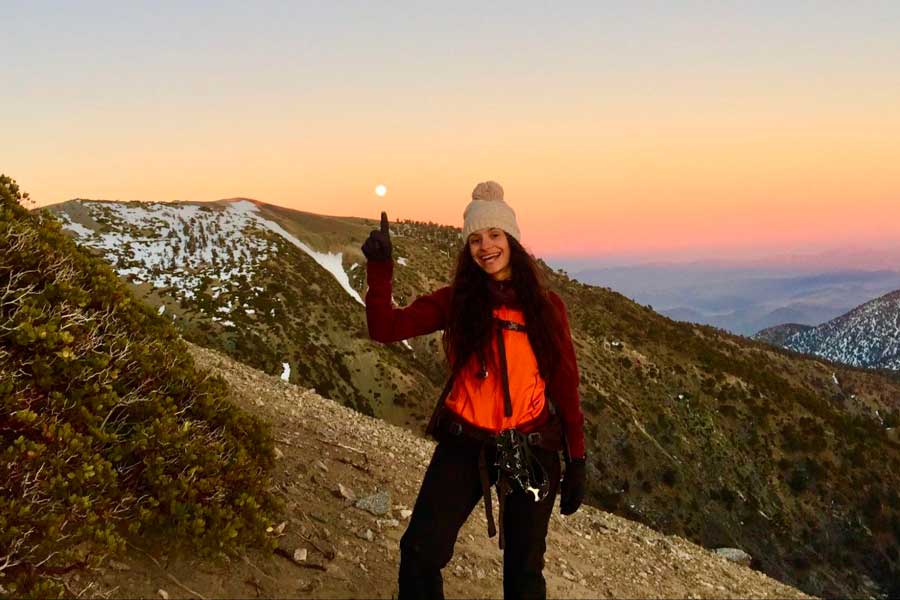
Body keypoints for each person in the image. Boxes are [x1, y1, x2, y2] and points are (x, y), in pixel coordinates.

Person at [362, 180, 586, 600]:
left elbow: (565, 385)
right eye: (476, 240)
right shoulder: (457, 301)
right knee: (419, 552)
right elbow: (384, 328)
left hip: (531, 446)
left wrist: (577, 459)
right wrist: (380, 268)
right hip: (466, 444)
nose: (486, 247)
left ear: (512, 239)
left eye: (495, 235)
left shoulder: (546, 306)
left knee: (523, 576)